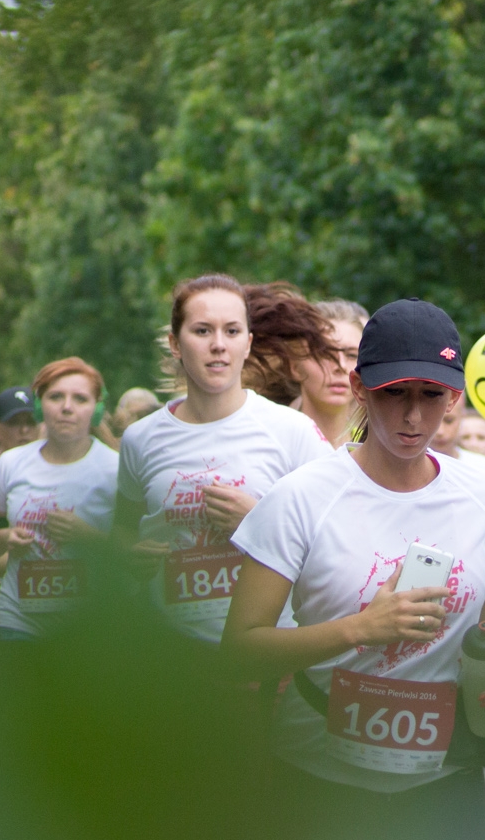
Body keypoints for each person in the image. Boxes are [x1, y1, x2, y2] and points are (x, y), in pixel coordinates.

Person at [224, 296, 485, 840]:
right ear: (361, 389)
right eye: (394, 394)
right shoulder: (304, 498)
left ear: (454, 397)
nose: (413, 416)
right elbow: (242, 644)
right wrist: (359, 628)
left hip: (442, 778)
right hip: (320, 780)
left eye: (431, 395)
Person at [115, 273, 331, 645]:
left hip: (264, 655)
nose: (218, 345)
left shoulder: (292, 431)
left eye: (231, 331)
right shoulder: (140, 438)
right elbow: (122, 530)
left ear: (248, 344)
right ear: (175, 344)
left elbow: (336, 539)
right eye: (202, 331)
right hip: (167, 655)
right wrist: (130, 556)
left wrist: (259, 523)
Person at [0, 357, 118, 641]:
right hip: (17, 619)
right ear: (39, 405)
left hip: (90, 624)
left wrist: (88, 536)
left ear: (96, 409)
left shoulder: (115, 469)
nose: (66, 407)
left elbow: (136, 549)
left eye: (80, 399)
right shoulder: (10, 464)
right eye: (56, 397)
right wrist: (5, 537)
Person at [286, 298, 365, 448]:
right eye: (325, 354)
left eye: (351, 355)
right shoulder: (272, 442)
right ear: (295, 367)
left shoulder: (376, 448)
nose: (340, 366)